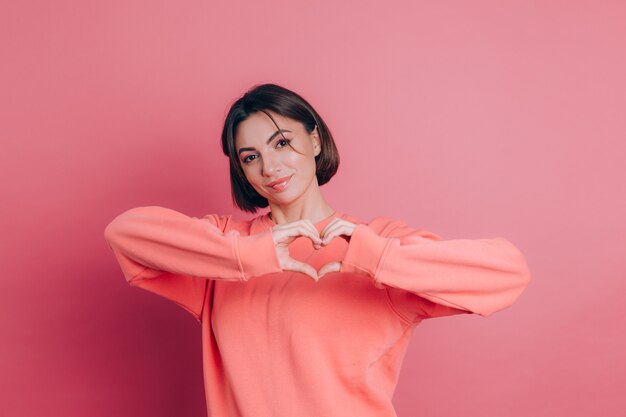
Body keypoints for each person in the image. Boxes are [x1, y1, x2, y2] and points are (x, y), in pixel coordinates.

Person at [103, 83, 532, 417]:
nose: (269, 167)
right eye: (250, 157)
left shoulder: (375, 243)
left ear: (315, 141)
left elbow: (507, 273)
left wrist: (374, 257)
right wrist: (253, 255)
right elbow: (126, 233)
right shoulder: (222, 251)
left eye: (282, 143)